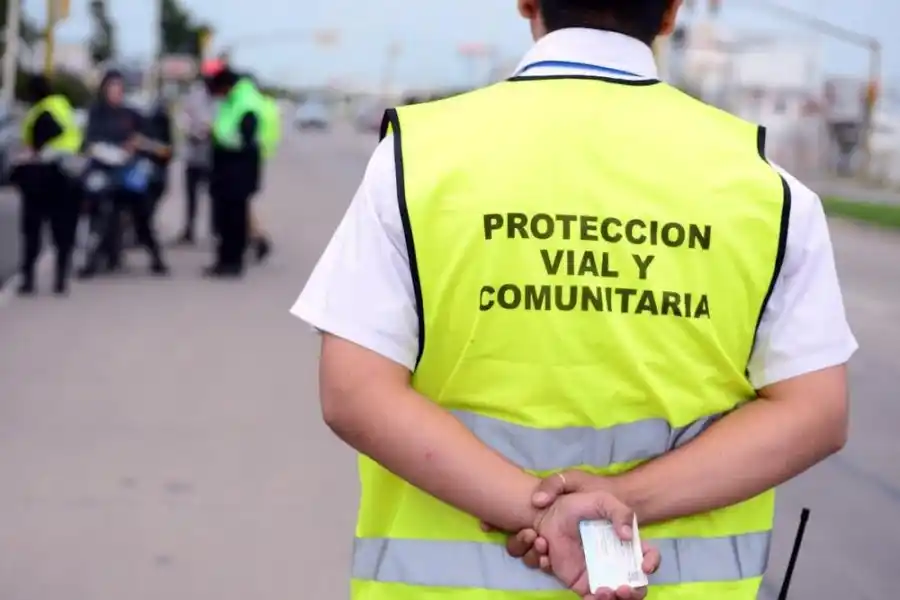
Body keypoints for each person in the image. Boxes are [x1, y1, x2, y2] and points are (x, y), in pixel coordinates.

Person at [290, 0, 857, 599]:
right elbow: (815, 412)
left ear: (527, 2)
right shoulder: (767, 189)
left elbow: (354, 392)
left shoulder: (415, 161)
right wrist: (622, 503)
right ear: (671, 13)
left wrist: (535, 511)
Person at [79, 69, 168, 278]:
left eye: (119, 88)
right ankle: (94, 260)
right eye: (112, 88)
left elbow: (156, 144)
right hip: (103, 171)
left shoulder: (131, 114)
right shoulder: (97, 113)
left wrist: (140, 144)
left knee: (142, 216)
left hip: (128, 174)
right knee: (100, 217)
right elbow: (89, 143)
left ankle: (156, 257)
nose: (116, 92)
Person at [12, 74, 82, 295]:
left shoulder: (42, 111)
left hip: (42, 177)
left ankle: (29, 280)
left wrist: (34, 153)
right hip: (67, 176)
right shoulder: (62, 106)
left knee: (32, 230)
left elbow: (41, 140)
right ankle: (60, 280)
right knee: (62, 232)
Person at [204, 64, 264, 278]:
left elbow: (243, 140)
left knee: (234, 220)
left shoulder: (246, 103)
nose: (217, 96)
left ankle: (233, 263)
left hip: (238, 173)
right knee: (223, 219)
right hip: (225, 173)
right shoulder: (233, 100)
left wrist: (216, 136)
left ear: (226, 86)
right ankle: (223, 261)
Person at [177, 73, 216, 245]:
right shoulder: (195, 94)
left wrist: (210, 130)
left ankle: (215, 232)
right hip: (193, 154)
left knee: (214, 196)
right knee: (191, 197)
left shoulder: (220, 95)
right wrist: (192, 131)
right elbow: (184, 118)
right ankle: (189, 230)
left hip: (212, 155)